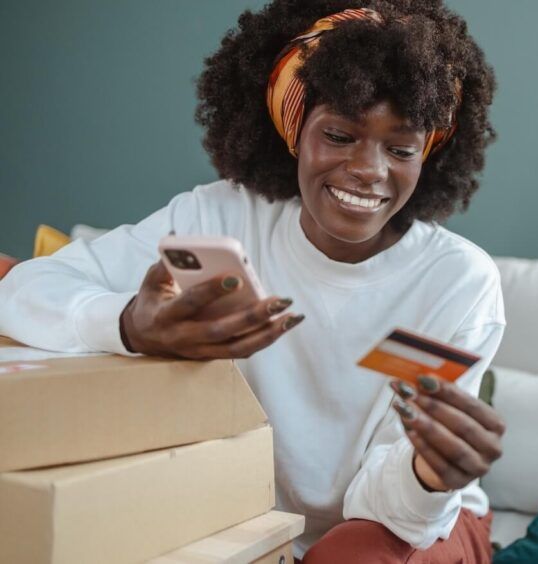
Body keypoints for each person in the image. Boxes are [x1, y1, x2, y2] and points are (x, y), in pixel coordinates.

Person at [0, 0, 505, 561]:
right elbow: (25, 289)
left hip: (410, 522)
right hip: (249, 517)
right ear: (294, 130)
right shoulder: (217, 219)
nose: (369, 168)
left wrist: (427, 474)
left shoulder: (453, 281)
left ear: (428, 156)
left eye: (401, 148)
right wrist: (128, 326)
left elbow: (387, 510)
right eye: (339, 135)